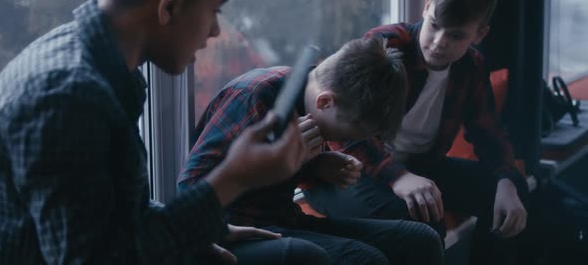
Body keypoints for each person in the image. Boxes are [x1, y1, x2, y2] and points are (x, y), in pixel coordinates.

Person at [0, 0, 332, 264]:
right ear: (170, 7)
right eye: (215, 9)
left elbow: (110, 212)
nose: (216, 31)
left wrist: (205, 229)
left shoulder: (99, 63)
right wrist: (232, 178)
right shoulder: (67, 99)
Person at [303, 0, 528, 265]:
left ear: (479, 34)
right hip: (349, 170)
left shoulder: (471, 66)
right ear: (426, 6)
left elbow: (489, 134)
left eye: (456, 35)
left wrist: (506, 181)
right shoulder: (384, 46)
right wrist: (397, 175)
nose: (437, 42)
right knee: (422, 224)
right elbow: (346, 128)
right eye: (434, 24)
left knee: (511, 189)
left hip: (420, 166)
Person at [178, 36, 445, 265]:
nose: (341, 141)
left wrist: (313, 167)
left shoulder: (313, 101)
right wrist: (279, 159)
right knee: (363, 260)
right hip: (236, 227)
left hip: (285, 218)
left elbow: (278, 185)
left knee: (422, 240)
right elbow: (190, 190)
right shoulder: (254, 96)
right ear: (325, 101)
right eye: (342, 135)